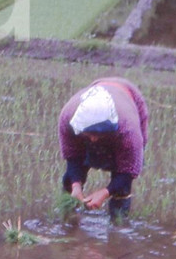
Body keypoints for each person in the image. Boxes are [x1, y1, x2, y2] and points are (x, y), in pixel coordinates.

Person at [58, 77, 149, 220]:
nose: (93, 139)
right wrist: (76, 186)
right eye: (89, 134)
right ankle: (67, 219)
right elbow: (73, 157)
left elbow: (128, 171)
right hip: (100, 89)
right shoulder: (68, 118)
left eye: (98, 134)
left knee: (122, 188)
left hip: (129, 98)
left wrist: (105, 192)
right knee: (70, 181)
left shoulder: (128, 130)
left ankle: (118, 225)